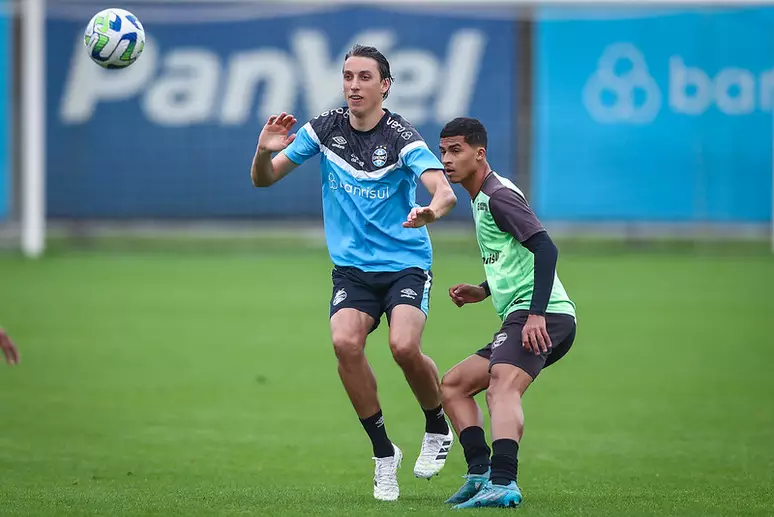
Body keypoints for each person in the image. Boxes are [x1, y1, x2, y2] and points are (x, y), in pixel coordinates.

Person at [250, 44, 457, 502]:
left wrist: (431, 212)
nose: (354, 85)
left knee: (404, 347)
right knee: (345, 343)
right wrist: (264, 153)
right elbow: (264, 179)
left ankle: (436, 424)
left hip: (405, 263)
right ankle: (384, 454)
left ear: (385, 85)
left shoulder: (404, 137)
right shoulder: (323, 129)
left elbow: (443, 190)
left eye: (365, 77)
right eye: (348, 76)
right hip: (353, 271)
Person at [436, 117, 577, 508]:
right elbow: (516, 256)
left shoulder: (498, 196)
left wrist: (535, 315)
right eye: (443, 151)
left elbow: (546, 249)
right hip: (524, 312)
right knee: (454, 385)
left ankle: (504, 482)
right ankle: (480, 474)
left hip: (543, 315)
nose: (446, 159)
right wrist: (484, 290)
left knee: (502, 385)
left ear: (479, 154)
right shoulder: (482, 197)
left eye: (456, 150)